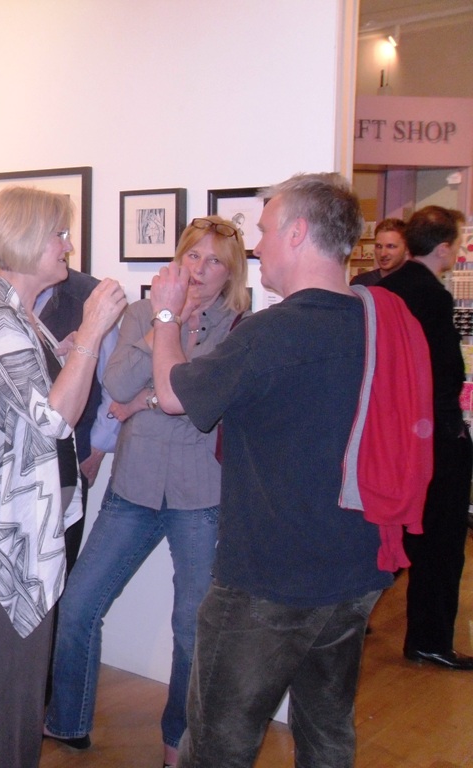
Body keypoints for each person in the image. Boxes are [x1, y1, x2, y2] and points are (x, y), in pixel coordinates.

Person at [150, 173, 400, 766]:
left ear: (298, 233)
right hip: (356, 568)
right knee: (327, 733)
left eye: (264, 231)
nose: (258, 246)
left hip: (268, 580)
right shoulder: (378, 320)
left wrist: (164, 315)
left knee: (218, 746)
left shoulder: (271, 332)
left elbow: (173, 396)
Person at [44, 216, 250, 766]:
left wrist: (145, 401)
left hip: (200, 495)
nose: (199, 270)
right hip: (133, 485)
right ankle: (67, 721)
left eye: (214, 261)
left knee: (192, 628)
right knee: (79, 605)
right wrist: (165, 322)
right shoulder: (142, 312)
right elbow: (115, 384)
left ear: (231, 273)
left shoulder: (239, 327)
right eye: (192, 256)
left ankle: (177, 741)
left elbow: (199, 403)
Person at [0, 185, 126, 768]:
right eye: (59, 234)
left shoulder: (19, 314)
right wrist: (92, 333)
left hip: (23, 513)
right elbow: (54, 417)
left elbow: (31, 399)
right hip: (11, 519)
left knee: (22, 672)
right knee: (13, 675)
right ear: (26, 239)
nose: (67, 246)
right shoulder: (0, 321)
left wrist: (71, 347)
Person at [379, 205, 473, 670]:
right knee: (441, 541)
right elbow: (444, 373)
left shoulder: (385, 288)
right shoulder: (431, 295)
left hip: (396, 434)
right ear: (444, 248)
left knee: (398, 531)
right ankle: (430, 639)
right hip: (433, 435)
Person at [351, 217, 409, 286]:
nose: (383, 254)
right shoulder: (360, 283)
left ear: (407, 249)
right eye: (378, 246)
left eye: (390, 246)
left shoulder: (416, 284)